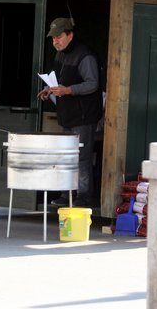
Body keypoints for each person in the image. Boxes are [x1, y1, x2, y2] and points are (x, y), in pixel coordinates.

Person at [38, 17, 102, 207]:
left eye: (58, 37)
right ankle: (67, 195)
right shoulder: (61, 55)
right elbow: (58, 79)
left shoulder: (85, 55)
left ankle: (84, 196)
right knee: (67, 156)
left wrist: (68, 90)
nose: (55, 41)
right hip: (67, 114)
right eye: (53, 38)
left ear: (70, 35)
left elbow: (93, 84)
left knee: (81, 157)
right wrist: (49, 89)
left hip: (83, 116)